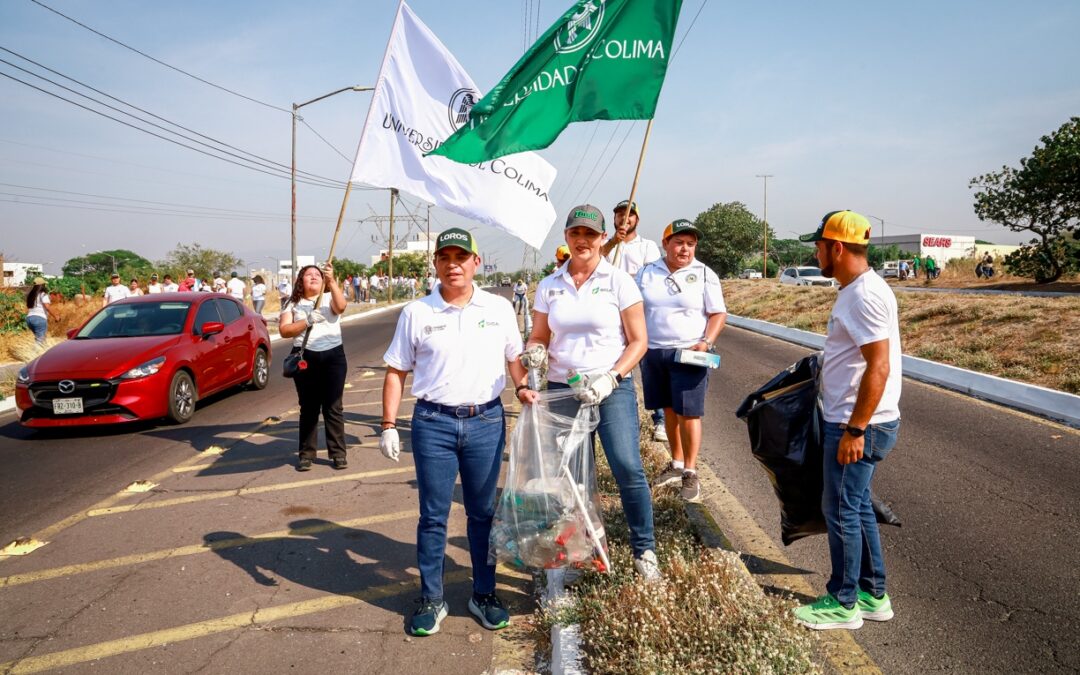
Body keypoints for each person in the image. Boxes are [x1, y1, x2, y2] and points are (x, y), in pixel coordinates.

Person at [380, 228, 531, 637]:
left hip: (485, 421)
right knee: (433, 516)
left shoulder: (498, 309)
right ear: (435, 264)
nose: (453, 265)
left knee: (482, 513)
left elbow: (515, 358)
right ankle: (432, 598)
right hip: (433, 423)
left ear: (475, 263)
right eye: (444, 257)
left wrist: (522, 386)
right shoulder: (417, 312)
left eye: (461, 257)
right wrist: (389, 425)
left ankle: (484, 593)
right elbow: (396, 371)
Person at [523, 204, 660, 581]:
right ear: (566, 238)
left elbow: (639, 341)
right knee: (572, 476)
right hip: (564, 390)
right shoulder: (551, 285)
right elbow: (540, 334)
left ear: (603, 238)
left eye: (590, 234)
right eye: (575, 233)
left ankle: (643, 550)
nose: (582, 240)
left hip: (609, 389)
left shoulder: (619, 281)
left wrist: (611, 377)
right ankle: (578, 552)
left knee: (627, 467)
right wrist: (535, 348)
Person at [793, 210, 902, 631]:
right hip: (861, 420)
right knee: (855, 508)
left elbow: (879, 366)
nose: (817, 252)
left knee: (839, 509)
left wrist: (855, 428)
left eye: (818, 246)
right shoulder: (859, 289)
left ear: (836, 248)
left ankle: (843, 602)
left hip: (860, 425)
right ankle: (873, 594)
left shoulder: (863, 295)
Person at [637, 220, 728, 503]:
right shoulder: (646, 273)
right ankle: (675, 463)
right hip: (654, 352)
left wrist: (707, 341)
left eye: (690, 243)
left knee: (689, 412)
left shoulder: (704, 273)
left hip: (689, 353)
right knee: (669, 410)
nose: (684, 248)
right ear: (665, 244)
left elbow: (718, 314)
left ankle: (691, 470)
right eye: (678, 242)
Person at [601, 200, 667, 443]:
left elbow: (649, 277)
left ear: (636, 219)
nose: (624, 219)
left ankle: (660, 419)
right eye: (620, 215)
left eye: (629, 215)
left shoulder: (647, 247)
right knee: (616, 366)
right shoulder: (607, 246)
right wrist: (612, 243)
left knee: (649, 367)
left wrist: (620, 281)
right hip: (610, 315)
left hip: (639, 313)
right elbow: (594, 262)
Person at [278, 263, 348, 472]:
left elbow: (341, 307)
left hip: (333, 356)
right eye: (308, 274)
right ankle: (306, 454)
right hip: (305, 357)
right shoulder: (292, 303)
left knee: (333, 407)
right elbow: (284, 330)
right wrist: (306, 321)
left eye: (318, 274)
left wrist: (332, 281)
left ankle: (338, 454)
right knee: (308, 408)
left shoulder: (329, 297)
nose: (314, 277)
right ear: (301, 280)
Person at [25, 277, 58, 345]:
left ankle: (43, 353)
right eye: (44, 284)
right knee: (40, 340)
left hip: (29, 319)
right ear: (42, 285)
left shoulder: (31, 295)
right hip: (39, 319)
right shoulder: (43, 295)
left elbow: (28, 307)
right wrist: (56, 316)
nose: (45, 286)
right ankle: (34, 355)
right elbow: (47, 307)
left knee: (41, 338)